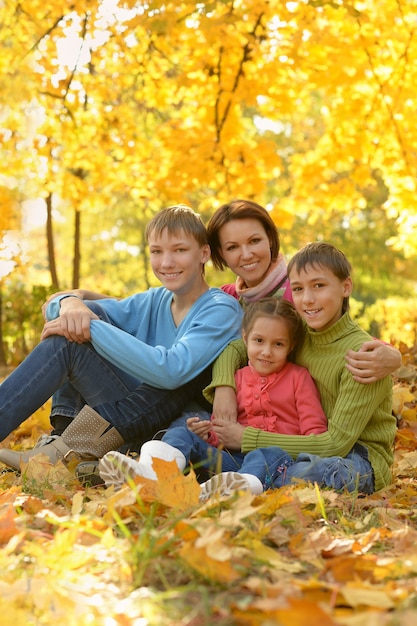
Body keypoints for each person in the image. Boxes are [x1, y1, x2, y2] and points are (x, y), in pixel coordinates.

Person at [0, 205, 243, 471]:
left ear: (204, 253)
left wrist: (90, 326)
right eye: (156, 251)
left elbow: (171, 371)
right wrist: (70, 303)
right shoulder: (154, 300)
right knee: (70, 331)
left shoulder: (220, 309)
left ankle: (69, 448)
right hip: (123, 412)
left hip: (174, 428)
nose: (166, 262)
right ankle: (62, 438)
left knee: (73, 334)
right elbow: (53, 307)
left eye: (179, 250)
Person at [198, 242, 396, 498]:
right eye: (299, 289)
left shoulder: (363, 356)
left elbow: (336, 444)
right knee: (196, 431)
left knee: (315, 472)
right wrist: (224, 386)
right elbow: (236, 348)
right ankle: (245, 478)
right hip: (299, 442)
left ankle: (249, 480)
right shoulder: (301, 334)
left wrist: (246, 437)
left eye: (319, 286)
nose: (308, 299)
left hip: (357, 456)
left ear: (346, 287)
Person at [97, 296, 328, 491]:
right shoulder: (237, 378)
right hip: (229, 464)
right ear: (246, 338)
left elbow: (314, 436)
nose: (266, 352)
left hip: (273, 466)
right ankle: (152, 472)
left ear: (291, 346)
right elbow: (224, 431)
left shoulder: (299, 378)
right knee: (184, 429)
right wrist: (208, 435)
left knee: (267, 453)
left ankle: (238, 490)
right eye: (259, 341)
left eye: (278, 344)